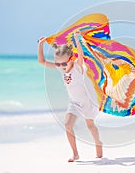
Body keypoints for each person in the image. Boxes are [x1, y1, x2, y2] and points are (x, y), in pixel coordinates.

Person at [37, 31, 103, 163]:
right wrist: (41, 44)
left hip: (86, 102)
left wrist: (77, 40)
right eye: (58, 64)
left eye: (63, 64)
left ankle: (98, 143)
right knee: (67, 124)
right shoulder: (61, 68)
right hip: (74, 103)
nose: (61, 66)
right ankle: (75, 154)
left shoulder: (78, 67)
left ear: (71, 59)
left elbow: (81, 56)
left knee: (90, 126)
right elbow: (42, 61)